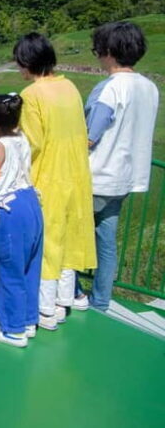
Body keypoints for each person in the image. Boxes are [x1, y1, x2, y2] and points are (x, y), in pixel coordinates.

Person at [15, 33, 96, 331]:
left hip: (48, 177)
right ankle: (64, 300)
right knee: (69, 241)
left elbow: (31, 143)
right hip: (76, 175)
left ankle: (46, 310)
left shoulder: (32, 95)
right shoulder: (69, 86)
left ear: (26, 62)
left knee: (47, 246)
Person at [78, 22, 159, 311]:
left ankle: (70, 293)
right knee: (106, 240)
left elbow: (90, 137)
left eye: (97, 50)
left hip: (97, 176)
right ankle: (100, 300)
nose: (97, 56)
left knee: (67, 233)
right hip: (125, 178)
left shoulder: (110, 88)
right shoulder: (149, 87)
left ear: (109, 51)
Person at [0, 92, 44, 346]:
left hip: (11, 210)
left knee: (10, 270)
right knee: (30, 265)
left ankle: (13, 329)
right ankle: (28, 320)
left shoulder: (0, 147)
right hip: (31, 201)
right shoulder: (21, 138)